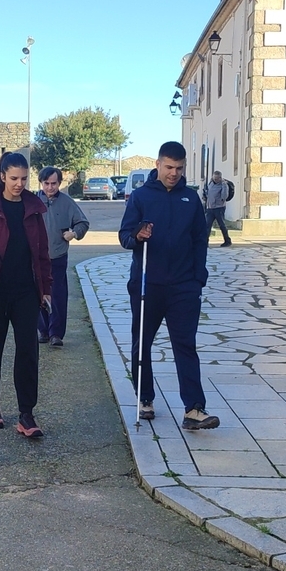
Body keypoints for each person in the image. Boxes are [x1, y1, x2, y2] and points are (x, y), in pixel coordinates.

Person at [119, 142, 221, 430]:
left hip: (184, 286)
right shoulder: (140, 197)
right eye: (169, 167)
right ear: (158, 164)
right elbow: (125, 237)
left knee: (186, 345)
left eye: (179, 168)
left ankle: (194, 409)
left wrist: (198, 277)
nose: (174, 173)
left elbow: (200, 239)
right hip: (147, 284)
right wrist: (138, 236)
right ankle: (145, 398)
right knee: (142, 343)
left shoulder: (190, 198)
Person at [0, 152, 53, 438]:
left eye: (24, 178)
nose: (19, 184)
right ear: (3, 176)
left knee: (28, 352)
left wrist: (46, 289)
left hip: (25, 292)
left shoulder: (33, 209)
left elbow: (42, 253)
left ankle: (26, 414)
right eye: (14, 178)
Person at [36, 166, 89, 347]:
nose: (50, 187)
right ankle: (43, 330)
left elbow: (83, 223)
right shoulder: (33, 202)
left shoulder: (67, 203)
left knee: (57, 295)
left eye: (54, 183)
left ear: (59, 183)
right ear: (41, 183)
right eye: (46, 183)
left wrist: (74, 233)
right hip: (36, 258)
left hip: (57, 256)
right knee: (38, 294)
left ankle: (56, 334)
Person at [202, 170, 233, 247]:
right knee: (207, 225)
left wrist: (222, 197)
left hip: (219, 208)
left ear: (220, 178)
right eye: (214, 178)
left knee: (222, 225)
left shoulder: (224, 185)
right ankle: (205, 242)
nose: (215, 180)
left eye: (216, 179)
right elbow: (208, 193)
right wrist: (205, 196)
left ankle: (227, 241)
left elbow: (224, 196)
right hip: (210, 207)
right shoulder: (210, 183)